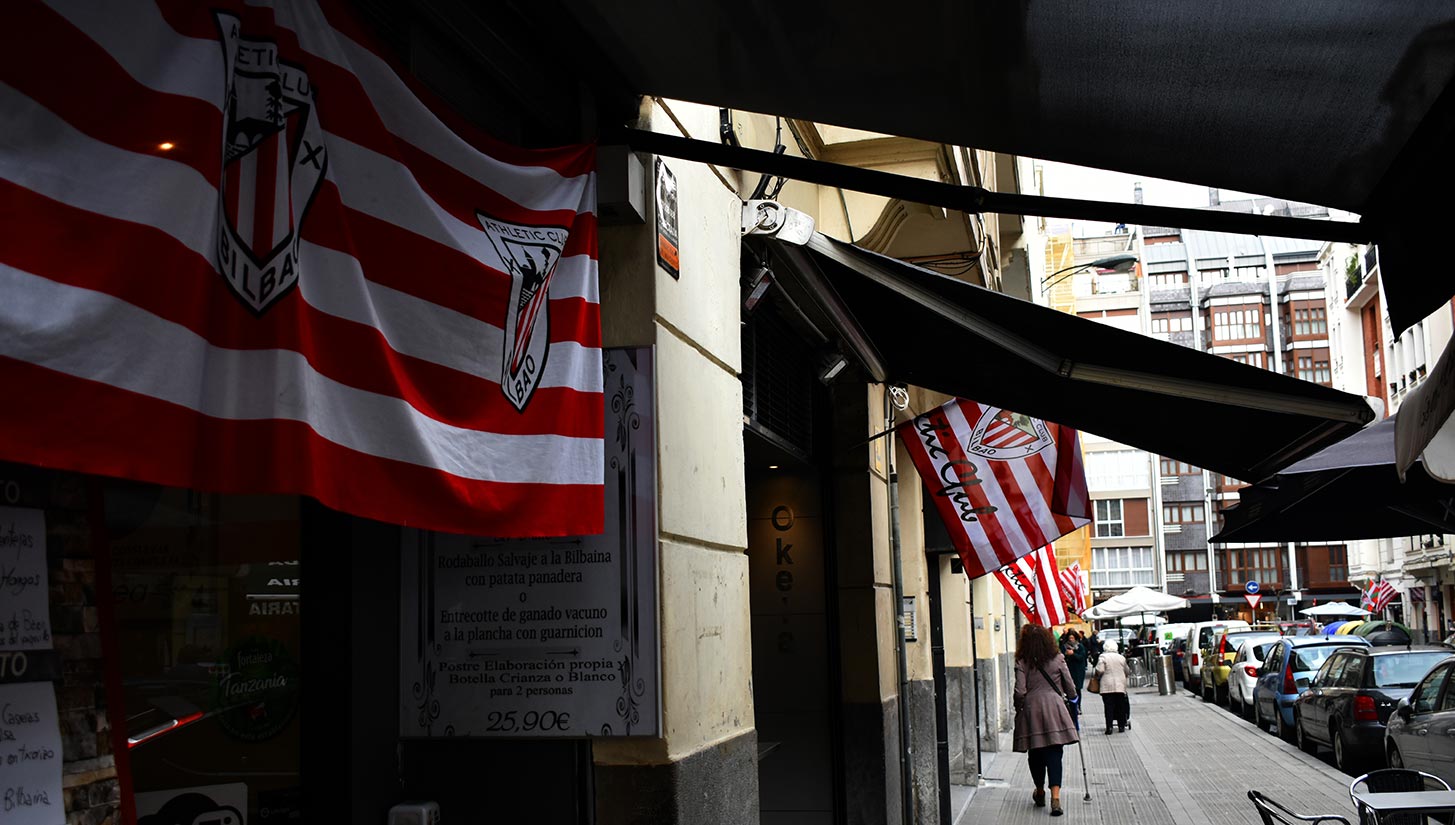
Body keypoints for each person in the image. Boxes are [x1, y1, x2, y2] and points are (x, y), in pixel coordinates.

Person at [1013, 624, 1080, 817]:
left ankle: (1040, 790)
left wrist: (1019, 708)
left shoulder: (1022, 661)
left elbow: (1020, 691)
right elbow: (1071, 688)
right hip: (1055, 708)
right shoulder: (1058, 658)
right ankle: (1056, 798)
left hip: (1032, 710)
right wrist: (1072, 700)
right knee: (1054, 752)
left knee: (1035, 753)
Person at [1094, 639, 1131, 734]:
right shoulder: (1121, 657)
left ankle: (1109, 727)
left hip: (1107, 686)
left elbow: (1100, 670)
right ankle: (1121, 726)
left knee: (1108, 707)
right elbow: (1127, 671)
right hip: (1120, 685)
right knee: (1120, 706)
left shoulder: (1103, 657)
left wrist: (1097, 675)